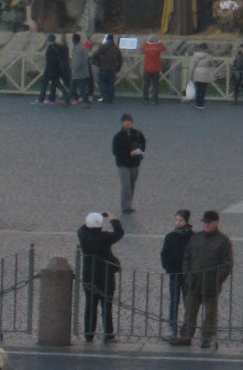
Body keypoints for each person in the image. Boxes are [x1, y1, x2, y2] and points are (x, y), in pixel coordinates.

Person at [170, 210, 234, 349]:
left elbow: (227, 264)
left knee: (210, 313)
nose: (206, 224)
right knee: (190, 311)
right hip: (193, 282)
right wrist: (187, 275)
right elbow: (186, 258)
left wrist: (217, 280)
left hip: (211, 284)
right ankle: (186, 336)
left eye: (209, 222)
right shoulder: (196, 238)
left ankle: (207, 337)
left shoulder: (223, 241)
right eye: (204, 222)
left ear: (216, 223)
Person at [77, 211, 124, 342]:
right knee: (106, 307)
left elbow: (81, 228)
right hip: (105, 277)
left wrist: (94, 217)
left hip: (89, 275)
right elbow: (119, 232)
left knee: (90, 306)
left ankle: (89, 333)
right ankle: (108, 334)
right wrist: (113, 219)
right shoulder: (105, 237)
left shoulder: (83, 236)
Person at [160, 209, 194, 337]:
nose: (178, 222)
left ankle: (188, 327)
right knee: (173, 301)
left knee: (188, 302)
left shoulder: (192, 237)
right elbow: (164, 253)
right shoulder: (170, 236)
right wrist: (167, 267)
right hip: (174, 273)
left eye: (181, 220)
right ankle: (172, 326)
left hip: (187, 275)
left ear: (186, 221)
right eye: (176, 220)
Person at [113, 113, 147, 214]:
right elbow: (115, 152)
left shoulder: (137, 133)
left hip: (135, 164)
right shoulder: (118, 137)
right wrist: (129, 153)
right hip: (123, 165)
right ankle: (125, 207)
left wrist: (140, 150)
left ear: (132, 123)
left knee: (131, 185)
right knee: (126, 186)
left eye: (129, 121)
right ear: (122, 123)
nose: (127, 123)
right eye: (125, 121)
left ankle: (128, 205)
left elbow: (143, 143)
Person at [93, 33, 124, 104]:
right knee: (111, 84)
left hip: (103, 68)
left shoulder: (102, 47)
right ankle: (110, 99)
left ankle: (104, 97)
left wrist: (98, 63)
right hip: (112, 69)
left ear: (107, 39)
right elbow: (120, 60)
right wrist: (117, 68)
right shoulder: (116, 49)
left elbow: (94, 55)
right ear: (113, 40)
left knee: (102, 83)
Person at [38, 33, 67, 104]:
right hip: (56, 69)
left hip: (49, 69)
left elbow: (49, 59)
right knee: (56, 84)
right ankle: (54, 98)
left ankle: (41, 99)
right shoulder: (58, 46)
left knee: (44, 83)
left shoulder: (50, 47)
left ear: (48, 39)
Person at [141, 34, 167, 103]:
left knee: (146, 85)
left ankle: (145, 99)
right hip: (155, 69)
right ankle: (155, 100)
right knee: (155, 85)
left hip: (147, 68)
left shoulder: (146, 47)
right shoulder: (157, 48)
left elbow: (141, 48)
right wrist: (159, 41)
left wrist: (147, 42)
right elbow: (164, 48)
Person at [70, 34, 94, 106]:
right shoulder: (83, 47)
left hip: (78, 71)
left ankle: (70, 100)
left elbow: (77, 60)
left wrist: (73, 68)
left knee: (75, 86)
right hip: (83, 71)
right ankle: (84, 100)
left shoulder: (78, 48)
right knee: (79, 87)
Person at [189, 43, 214, 109]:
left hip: (196, 73)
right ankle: (201, 104)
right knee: (203, 90)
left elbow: (191, 67)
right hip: (205, 74)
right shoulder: (209, 56)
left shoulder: (195, 55)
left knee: (197, 89)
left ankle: (197, 103)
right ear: (206, 48)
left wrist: (190, 76)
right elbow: (212, 64)